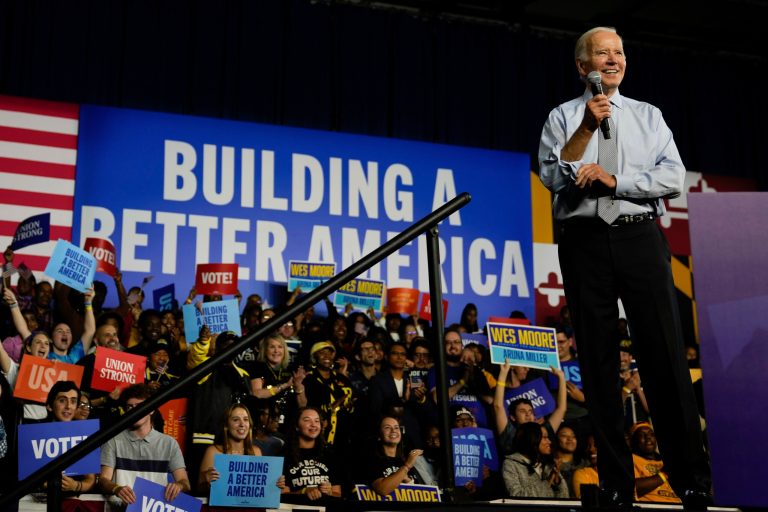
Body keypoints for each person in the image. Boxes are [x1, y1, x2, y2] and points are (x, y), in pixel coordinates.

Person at [537, 25, 710, 509]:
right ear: (582, 66)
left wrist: (617, 181)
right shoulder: (563, 117)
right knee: (597, 360)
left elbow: (672, 176)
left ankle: (691, 478)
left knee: (665, 355)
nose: (613, 59)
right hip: (584, 240)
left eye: (618, 52)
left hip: (638, 234)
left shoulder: (648, 115)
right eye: (602, 53)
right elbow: (552, 174)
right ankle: (615, 483)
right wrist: (586, 129)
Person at [100, 383, 190, 508]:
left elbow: (185, 483)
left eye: (139, 406)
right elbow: (103, 480)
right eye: (130, 407)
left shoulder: (169, 443)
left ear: (152, 409)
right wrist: (116, 489)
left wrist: (178, 486)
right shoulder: (113, 441)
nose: (134, 411)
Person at [197, 403, 285, 494]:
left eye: (246, 419)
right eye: (236, 420)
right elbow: (199, 489)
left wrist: (275, 485)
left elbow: (259, 489)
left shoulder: (256, 452)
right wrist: (206, 481)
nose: (242, 424)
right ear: (226, 425)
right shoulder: (213, 451)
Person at [281, 407, 343, 502]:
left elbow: (338, 494)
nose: (313, 424)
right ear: (296, 426)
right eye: (307, 420)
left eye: (317, 421)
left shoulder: (330, 456)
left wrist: (329, 492)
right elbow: (282, 497)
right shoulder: (284, 456)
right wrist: (304, 491)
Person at [502, 422, 568, 498]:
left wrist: (557, 482)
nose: (549, 442)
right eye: (545, 437)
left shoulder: (549, 464)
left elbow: (564, 497)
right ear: (532, 439)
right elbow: (516, 496)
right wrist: (547, 483)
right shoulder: (511, 464)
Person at [366, 416, 424, 497]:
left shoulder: (405, 460)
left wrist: (407, 480)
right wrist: (406, 467)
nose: (393, 431)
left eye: (396, 427)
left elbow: (420, 495)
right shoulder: (371, 460)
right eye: (387, 427)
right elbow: (382, 489)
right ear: (379, 434)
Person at [630, 421, 680, 503]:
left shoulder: (665, 461)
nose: (648, 437)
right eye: (641, 435)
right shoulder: (631, 459)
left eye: (651, 434)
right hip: (651, 506)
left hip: (678, 505)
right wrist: (663, 475)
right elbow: (629, 488)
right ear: (633, 440)